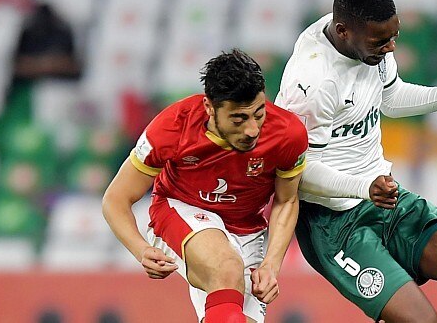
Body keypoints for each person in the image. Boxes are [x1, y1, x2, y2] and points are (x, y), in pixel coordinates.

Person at [275, 0, 437, 322]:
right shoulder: (313, 82)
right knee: (420, 321)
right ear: (343, 31)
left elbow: (390, 97)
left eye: (394, 36)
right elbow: (296, 172)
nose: (390, 48)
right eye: (380, 41)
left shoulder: (368, 42)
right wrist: (363, 187)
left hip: (383, 197)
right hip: (333, 221)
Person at [102, 49, 308, 323]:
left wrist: (271, 263)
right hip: (180, 209)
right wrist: (141, 249)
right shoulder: (172, 127)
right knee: (227, 267)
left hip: (247, 228)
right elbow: (115, 199)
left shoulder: (288, 133)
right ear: (210, 107)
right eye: (238, 119)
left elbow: (287, 200)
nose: (251, 130)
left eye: (258, 114)